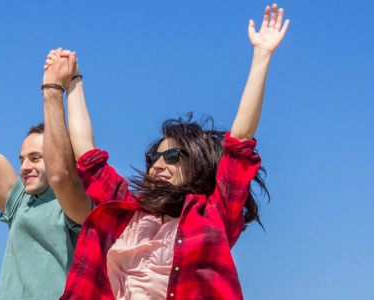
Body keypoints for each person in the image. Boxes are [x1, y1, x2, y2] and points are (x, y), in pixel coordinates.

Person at [55, 4, 285, 299]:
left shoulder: (213, 214)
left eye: (173, 156)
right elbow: (87, 156)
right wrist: (73, 82)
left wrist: (262, 55)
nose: (158, 164)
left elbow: (240, 141)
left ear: (198, 164)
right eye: (154, 157)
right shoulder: (128, 211)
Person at [0, 19, 93, 299]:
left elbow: (62, 175)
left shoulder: (76, 203)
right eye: (22, 159)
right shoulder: (21, 201)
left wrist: (56, 89)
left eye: (35, 157)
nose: (24, 167)